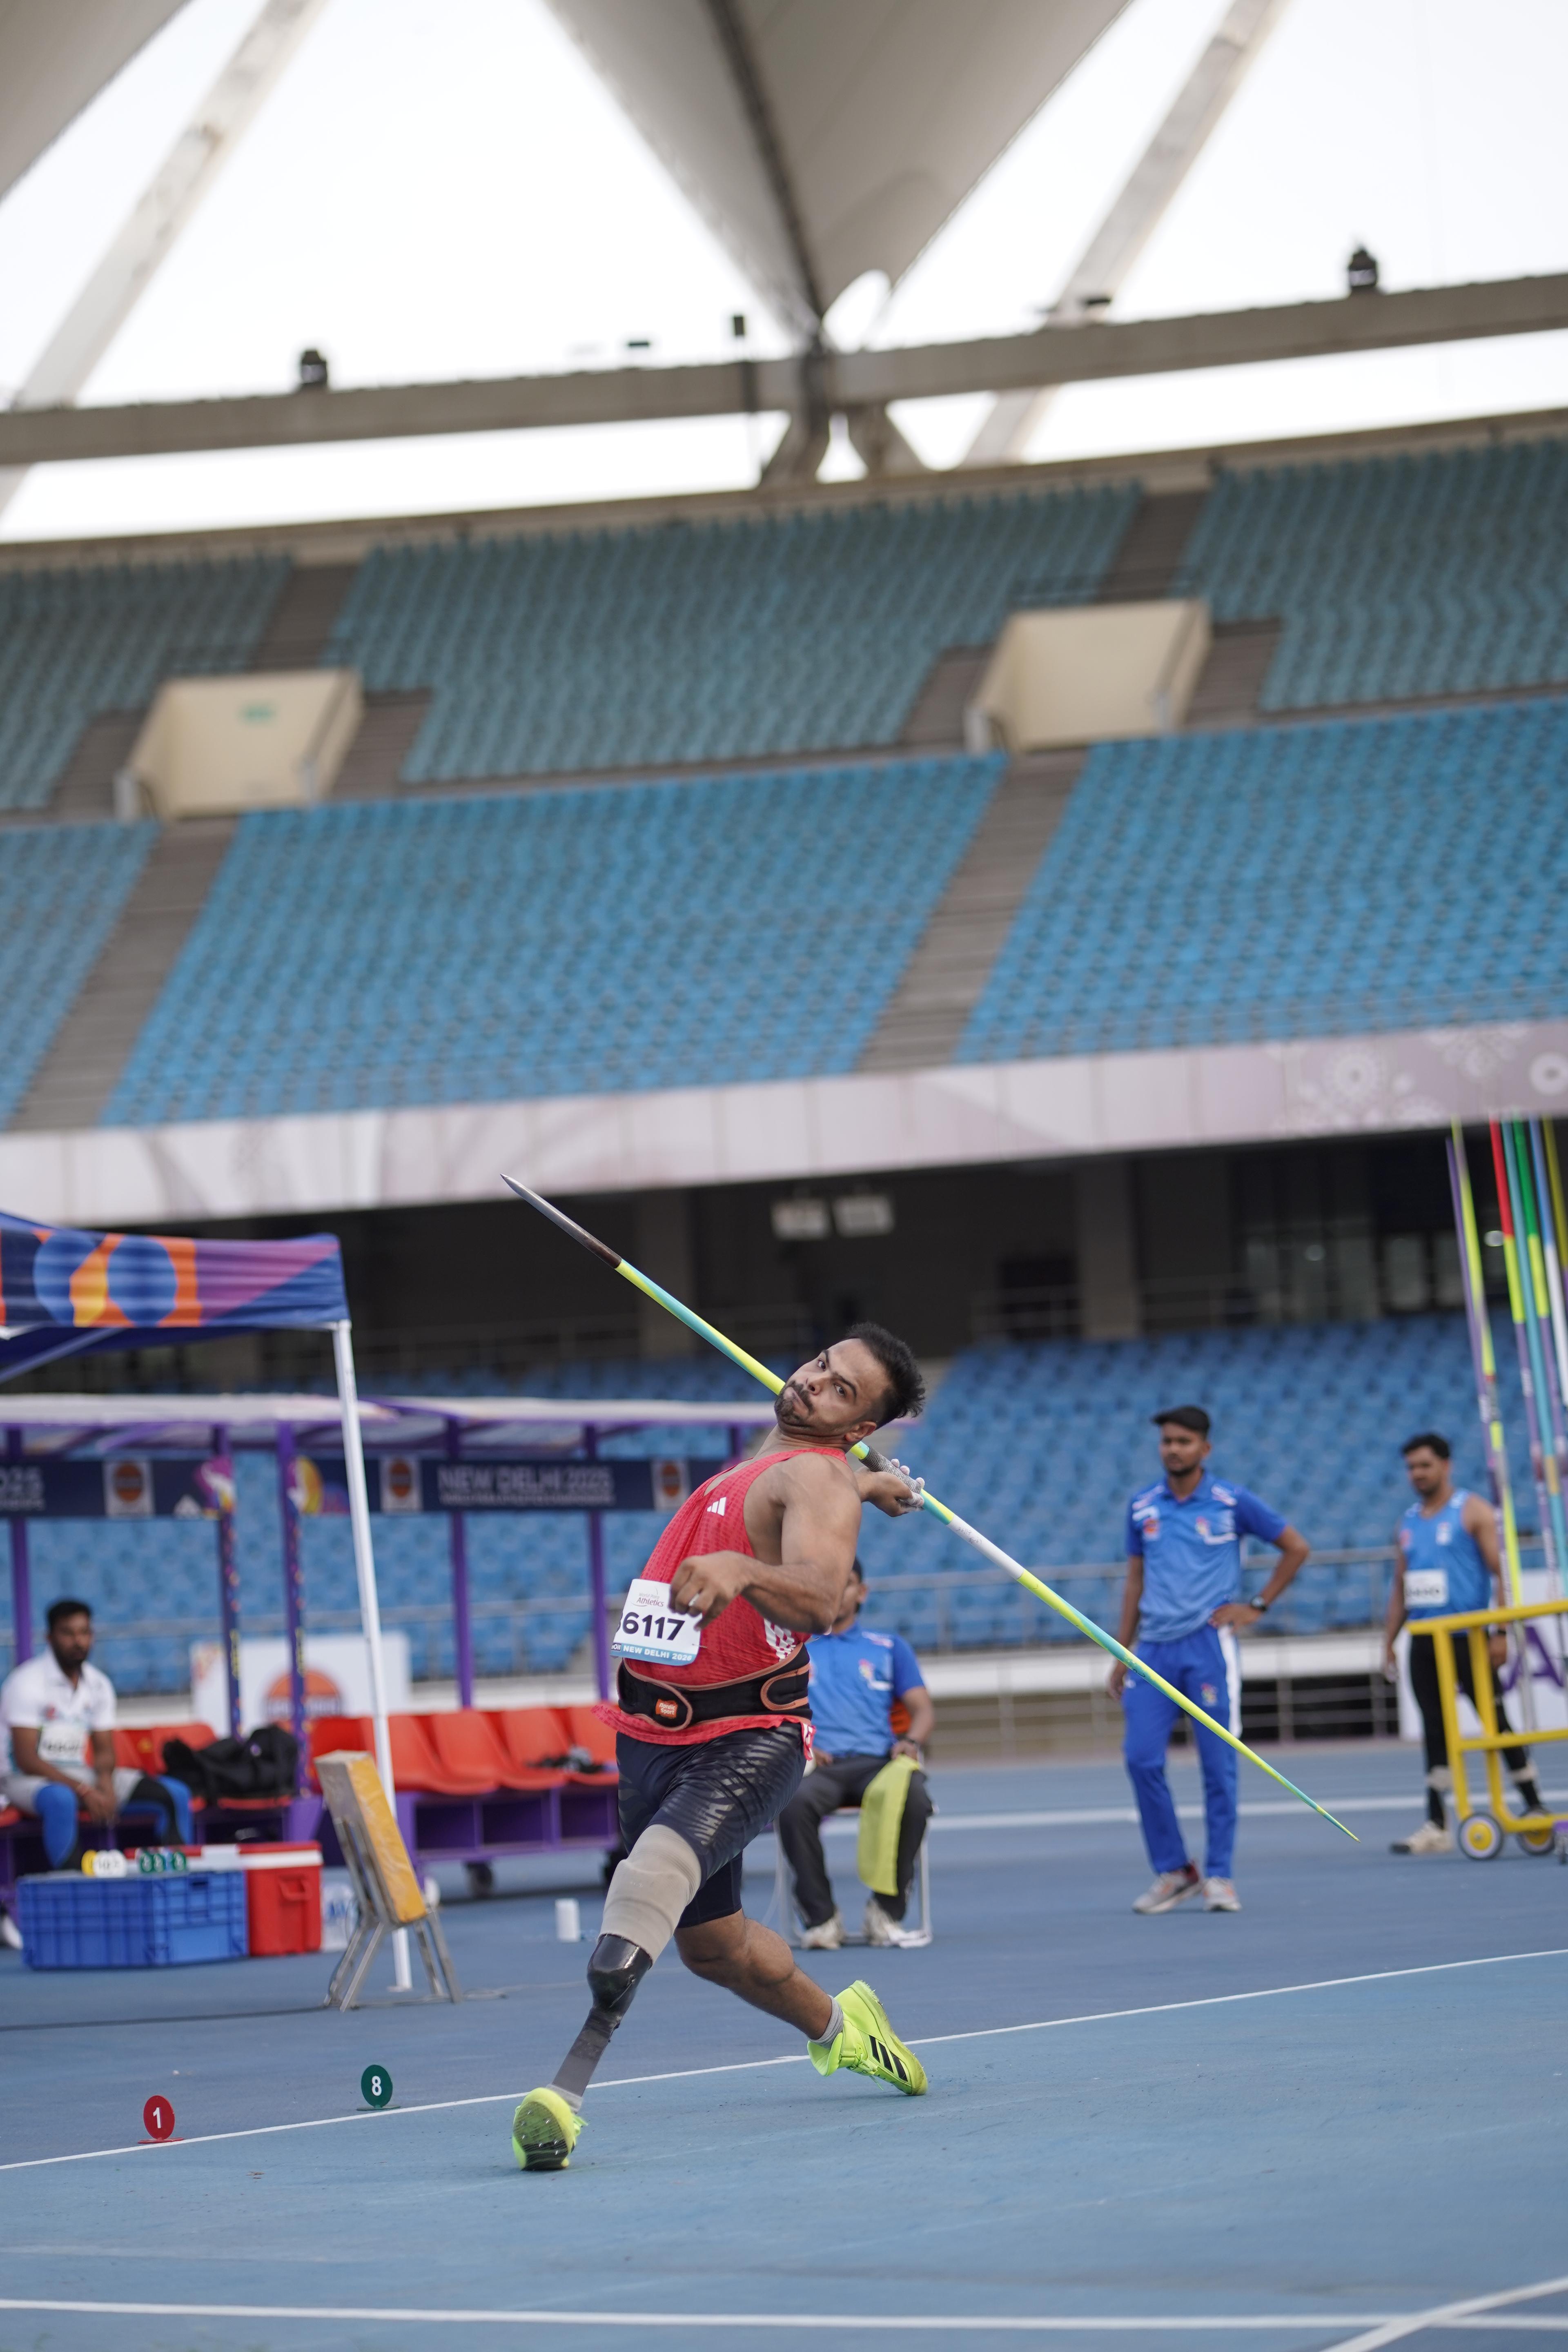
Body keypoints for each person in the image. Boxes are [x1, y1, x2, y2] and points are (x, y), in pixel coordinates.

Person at [512, 1326, 933, 2172]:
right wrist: (866, 1481)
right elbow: (801, 1488)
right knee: (717, 1949)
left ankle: (565, 2091)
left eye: (843, 1390)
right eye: (821, 1364)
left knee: (645, 1886)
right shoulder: (786, 1466)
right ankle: (847, 2030)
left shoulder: (818, 1474)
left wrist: (745, 1567)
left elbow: (818, 1596)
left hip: (746, 1735)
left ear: (856, 1430)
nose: (815, 1381)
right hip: (652, 1736)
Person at [1108, 1405, 1309, 1916]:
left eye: (1183, 1441)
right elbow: (1135, 1580)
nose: (1173, 1449)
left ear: (1205, 1448)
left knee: (1218, 1765)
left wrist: (1256, 1606)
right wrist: (1121, 1650)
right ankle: (1177, 1870)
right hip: (1152, 1650)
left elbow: (1295, 1548)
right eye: (1167, 1441)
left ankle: (1220, 1874)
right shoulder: (1142, 1506)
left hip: (1207, 1647)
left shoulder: (1231, 1501)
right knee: (1141, 1759)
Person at [1385, 1432, 1544, 1855]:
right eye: (1412, 1467)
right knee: (1434, 1730)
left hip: (1467, 1638)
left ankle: (1533, 1805)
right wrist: (1388, 1642)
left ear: (1445, 1466)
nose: (1418, 1474)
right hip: (1424, 1641)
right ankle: (1436, 1822)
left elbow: (1502, 1573)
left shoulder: (1471, 1510)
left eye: (1425, 1465)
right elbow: (1400, 1588)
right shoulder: (1408, 1521)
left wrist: (1501, 1632)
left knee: (1497, 1724)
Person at [0, 1599, 194, 1920]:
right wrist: (85, 1791)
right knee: (61, 1800)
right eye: (68, 1633)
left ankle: (174, 1895)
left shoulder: (98, 1684)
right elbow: (27, 1758)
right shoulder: (26, 1683)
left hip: (80, 1774)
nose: (78, 1641)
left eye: (84, 1633)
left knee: (174, 1794)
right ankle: (78, 1903)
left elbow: (104, 1750)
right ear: (50, 1638)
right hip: (23, 1778)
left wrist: (104, 1783)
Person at [779, 1559, 934, 1950]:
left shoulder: (889, 1648)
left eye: (845, 1584)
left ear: (861, 1592)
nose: (837, 1591)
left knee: (915, 1796)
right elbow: (774, 1711)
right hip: (822, 1766)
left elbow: (923, 1710)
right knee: (792, 1804)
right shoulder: (795, 1648)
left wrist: (911, 1741)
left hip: (878, 1764)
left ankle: (886, 1912)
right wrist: (805, 1743)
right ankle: (821, 1919)